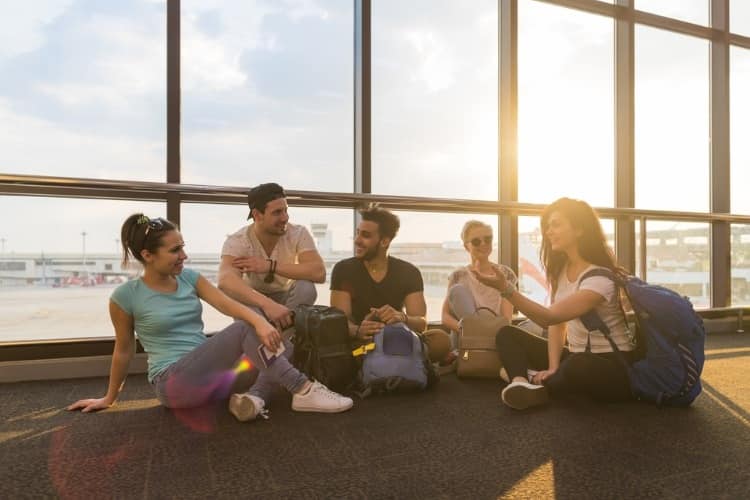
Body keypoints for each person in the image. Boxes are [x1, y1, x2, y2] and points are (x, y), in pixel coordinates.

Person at [68, 214, 352, 421]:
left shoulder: (190, 279)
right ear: (148, 255)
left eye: (183, 246)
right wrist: (109, 398)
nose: (184, 255)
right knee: (248, 332)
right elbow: (124, 349)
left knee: (282, 347)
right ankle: (302, 389)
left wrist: (262, 323)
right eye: (175, 250)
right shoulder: (125, 296)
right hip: (174, 383)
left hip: (211, 378)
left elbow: (227, 304)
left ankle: (254, 398)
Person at [472, 198, 637, 410]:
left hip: (613, 365)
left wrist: (506, 289)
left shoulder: (599, 277)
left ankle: (531, 378)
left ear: (579, 230)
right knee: (507, 334)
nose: (549, 231)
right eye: (548, 226)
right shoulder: (561, 271)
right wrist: (553, 367)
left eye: (556, 224)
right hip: (577, 356)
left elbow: (548, 317)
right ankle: (522, 383)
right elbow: (557, 325)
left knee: (579, 365)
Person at [330, 205, 451, 364]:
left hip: (398, 337)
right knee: (335, 344)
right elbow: (340, 321)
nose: (357, 240)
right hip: (362, 341)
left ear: (384, 241)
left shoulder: (409, 272)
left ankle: (384, 364)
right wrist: (358, 330)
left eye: (365, 235)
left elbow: (421, 323)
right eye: (357, 233)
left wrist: (401, 317)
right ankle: (398, 363)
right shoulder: (343, 269)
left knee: (441, 340)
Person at [218, 182, 325, 331]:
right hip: (255, 301)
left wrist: (269, 265)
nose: (285, 218)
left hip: (286, 299)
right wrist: (268, 305)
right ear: (257, 215)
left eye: (285, 211)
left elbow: (319, 273)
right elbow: (225, 281)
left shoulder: (298, 233)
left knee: (306, 287)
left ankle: (280, 336)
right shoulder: (238, 240)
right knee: (236, 293)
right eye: (277, 212)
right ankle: (268, 340)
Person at [442, 220, 516, 334]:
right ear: (466, 246)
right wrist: (467, 331)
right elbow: (445, 316)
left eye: (488, 239)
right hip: (466, 335)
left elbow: (506, 319)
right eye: (476, 241)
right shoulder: (458, 275)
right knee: (457, 290)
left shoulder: (505, 274)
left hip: (495, 334)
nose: (483, 244)